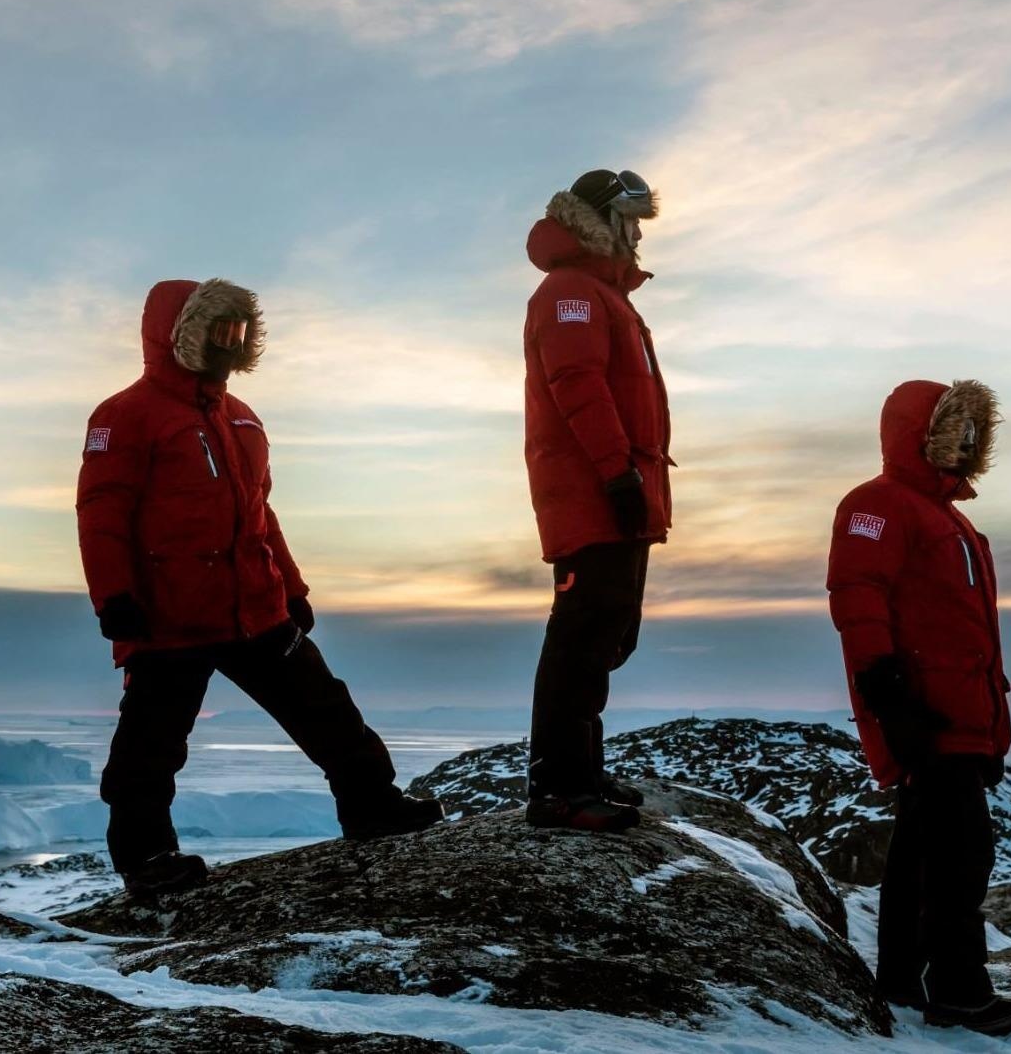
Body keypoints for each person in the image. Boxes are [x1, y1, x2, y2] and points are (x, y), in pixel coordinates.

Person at [78, 277, 443, 895]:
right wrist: (114, 598)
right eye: (214, 331)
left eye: (237, 333)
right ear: (177, 335)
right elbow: (101, 513)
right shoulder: (123, 416)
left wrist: (292, 587)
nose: (227, 345)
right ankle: (146, 860)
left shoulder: (242, 418)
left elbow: (261, 513)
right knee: (150, 744)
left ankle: (372, 807)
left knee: (327, 709)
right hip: (168, 615)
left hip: (256, 604)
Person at [826, 378, 1011, 1036]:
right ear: (919, 433)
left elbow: (970, 636)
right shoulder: (879, 505)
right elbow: (857, 599)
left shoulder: (951, 519)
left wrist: (989, 733)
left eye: (974, 430)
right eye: (955, 427)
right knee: (960, 853)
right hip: (924, 712)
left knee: (924, 844)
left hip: (957, 717)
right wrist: (892, 702)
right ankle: (960, 990)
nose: (968, 441)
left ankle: (902, 976)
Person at [520, 170, 672, 832]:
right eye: (631, 221)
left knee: (607, 632)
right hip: (592, 492)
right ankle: (558, 788)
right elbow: (576, 382)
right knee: (582, 633)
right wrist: (616, 476)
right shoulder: (570, 294)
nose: (638, 235)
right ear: (604, 222)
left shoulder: (602, 295)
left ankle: (580, 770)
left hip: (616, 489)